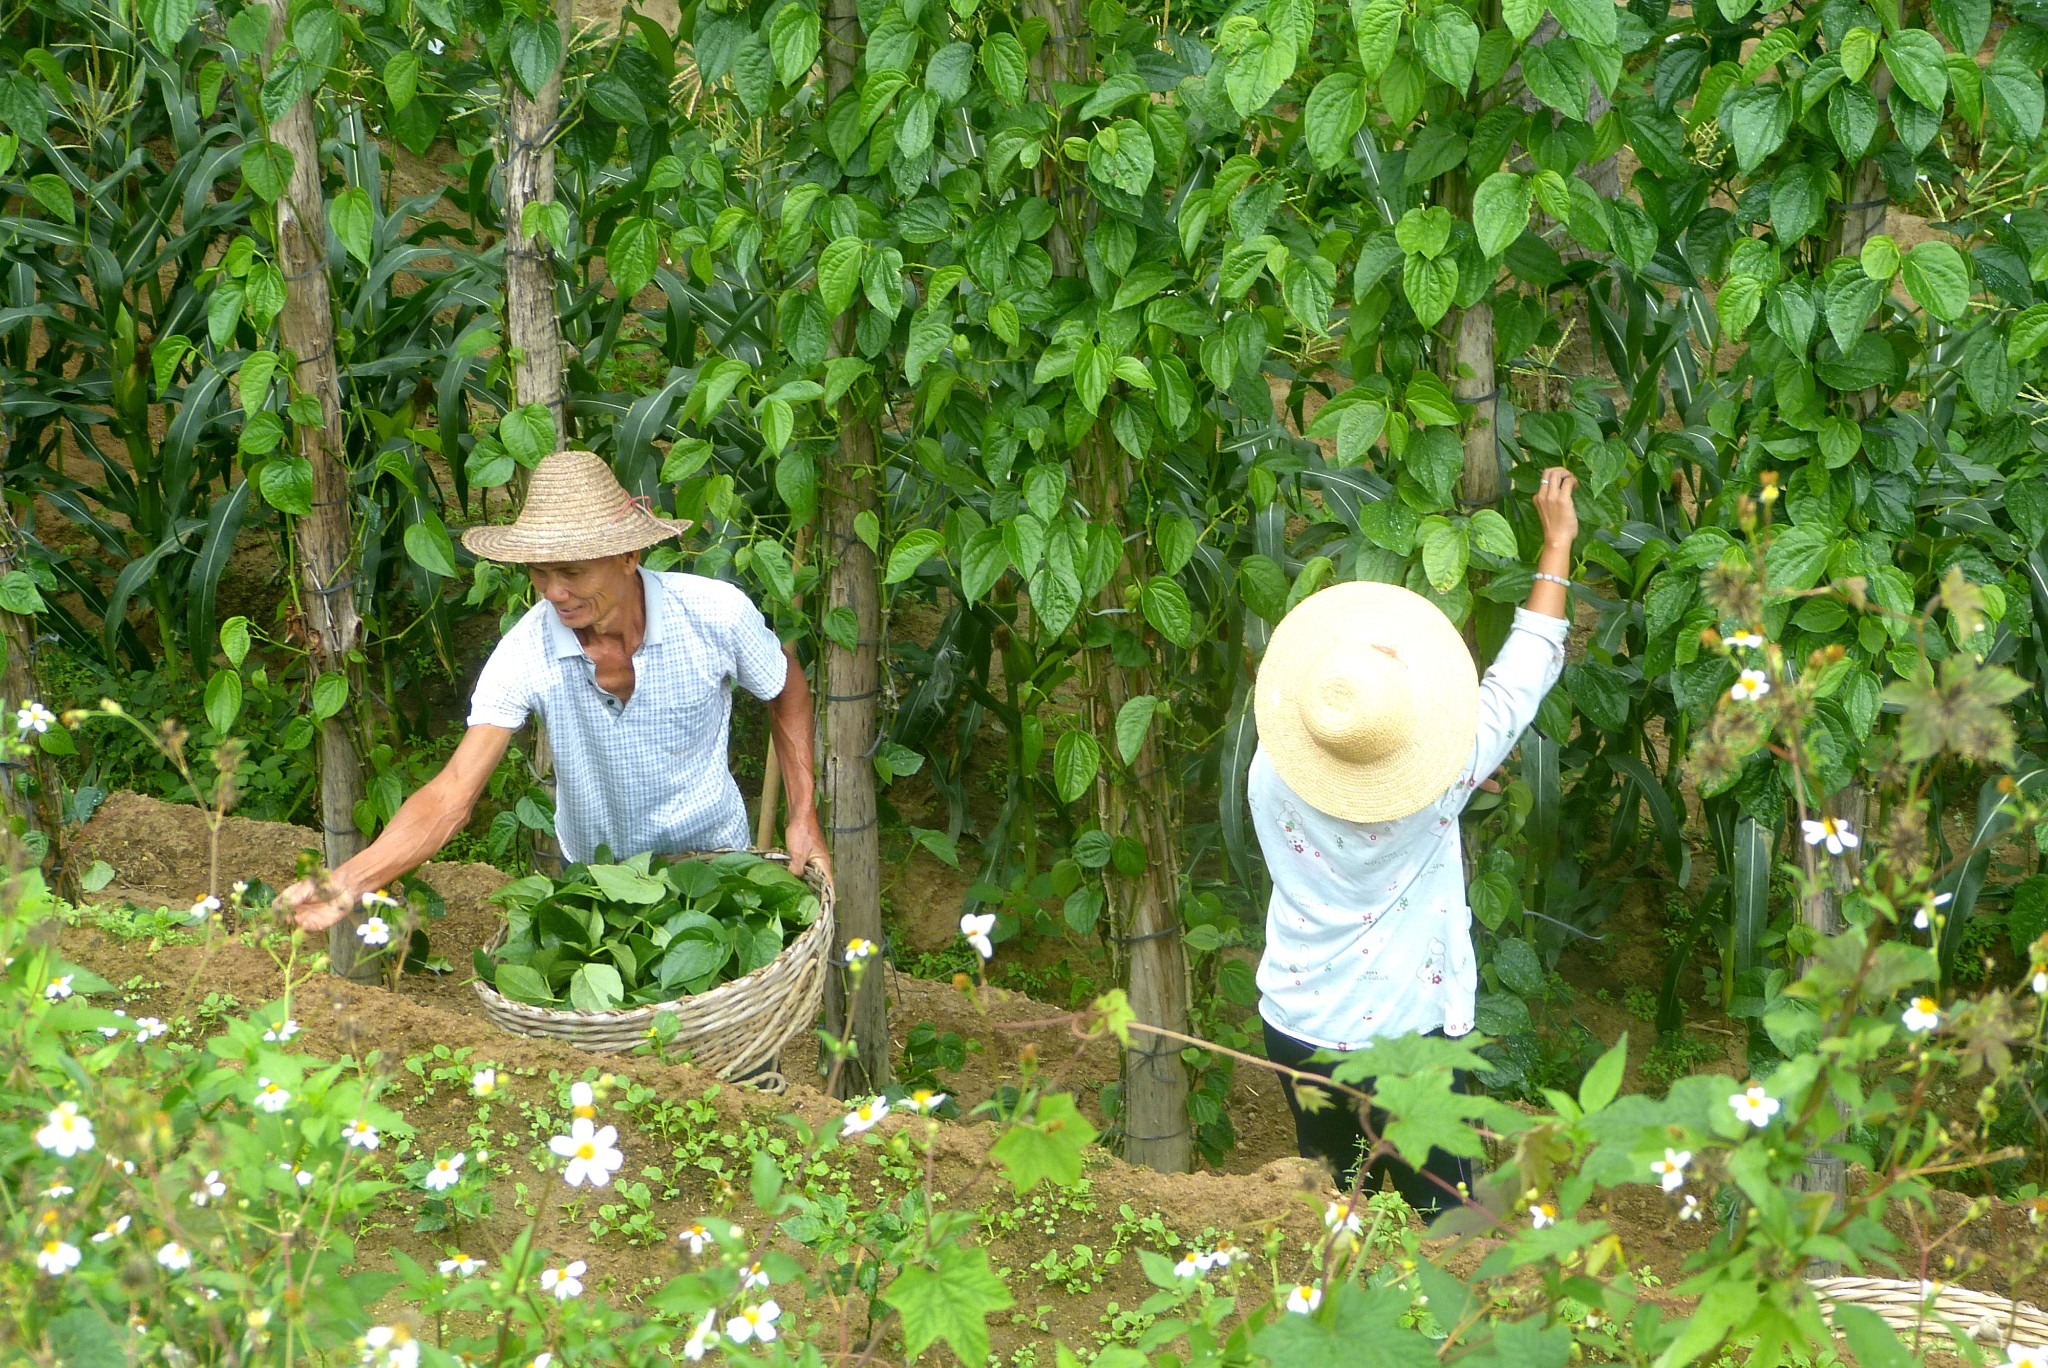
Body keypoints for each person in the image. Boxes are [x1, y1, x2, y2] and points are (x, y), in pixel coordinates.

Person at [284, 449, 829, 934]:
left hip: (717, 857)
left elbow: (783, 686)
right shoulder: (527, 653)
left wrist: (802, 815)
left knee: (733, 1023)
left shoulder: (716, 614)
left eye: (571, 571)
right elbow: (452, 793)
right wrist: (348, 881)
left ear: (628, 557)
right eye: (539, 573)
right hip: (599, 879)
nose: (554, 593)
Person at [1248, 466, 1580, 1213]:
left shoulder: (1272, 762)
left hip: (1298, 1026)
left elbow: (1357, 790)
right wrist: (1557, 543)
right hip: (1408, 1046)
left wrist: (1443, 786)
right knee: (1444, 1223)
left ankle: (1332, 1308)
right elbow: (1527, 668)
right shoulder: (1447, 774)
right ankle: (1433, 1323)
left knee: (1335, 1202)